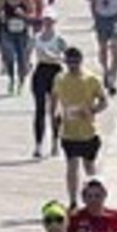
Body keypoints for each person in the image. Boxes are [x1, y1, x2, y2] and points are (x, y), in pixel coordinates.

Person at [52, 47, 108, 209]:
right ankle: (73, 201)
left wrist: (92, 110)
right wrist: (55, 116)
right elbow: (54, 99)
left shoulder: (91, 79)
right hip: (68, 131)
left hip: (88, 131)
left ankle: (96, 198)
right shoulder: (60, 79)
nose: (73, 65)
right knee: (71, 166)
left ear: (81, 60)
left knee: (89, 166)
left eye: (75, 61)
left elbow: (104, 101)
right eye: (69, 62)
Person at [30, 10, 68, 158]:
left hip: (55, 71)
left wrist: (55, 56)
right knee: (39, 109)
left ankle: (55, 142)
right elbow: (30, 53)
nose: (47, 23)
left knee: (54, 110)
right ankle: (38, 145)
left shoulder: (59, 39)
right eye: (45, 20)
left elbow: (66, 57)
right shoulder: (37, 38)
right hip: (41, 71)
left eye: (50, 21)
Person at [2, 0, 38, 96]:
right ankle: (11, 79)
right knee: (9, 56)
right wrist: (2, 16)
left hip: (23, 31)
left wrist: (24, 15)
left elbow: (33, 15)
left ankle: (21, 82)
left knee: (22, 58)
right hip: (8, 30)